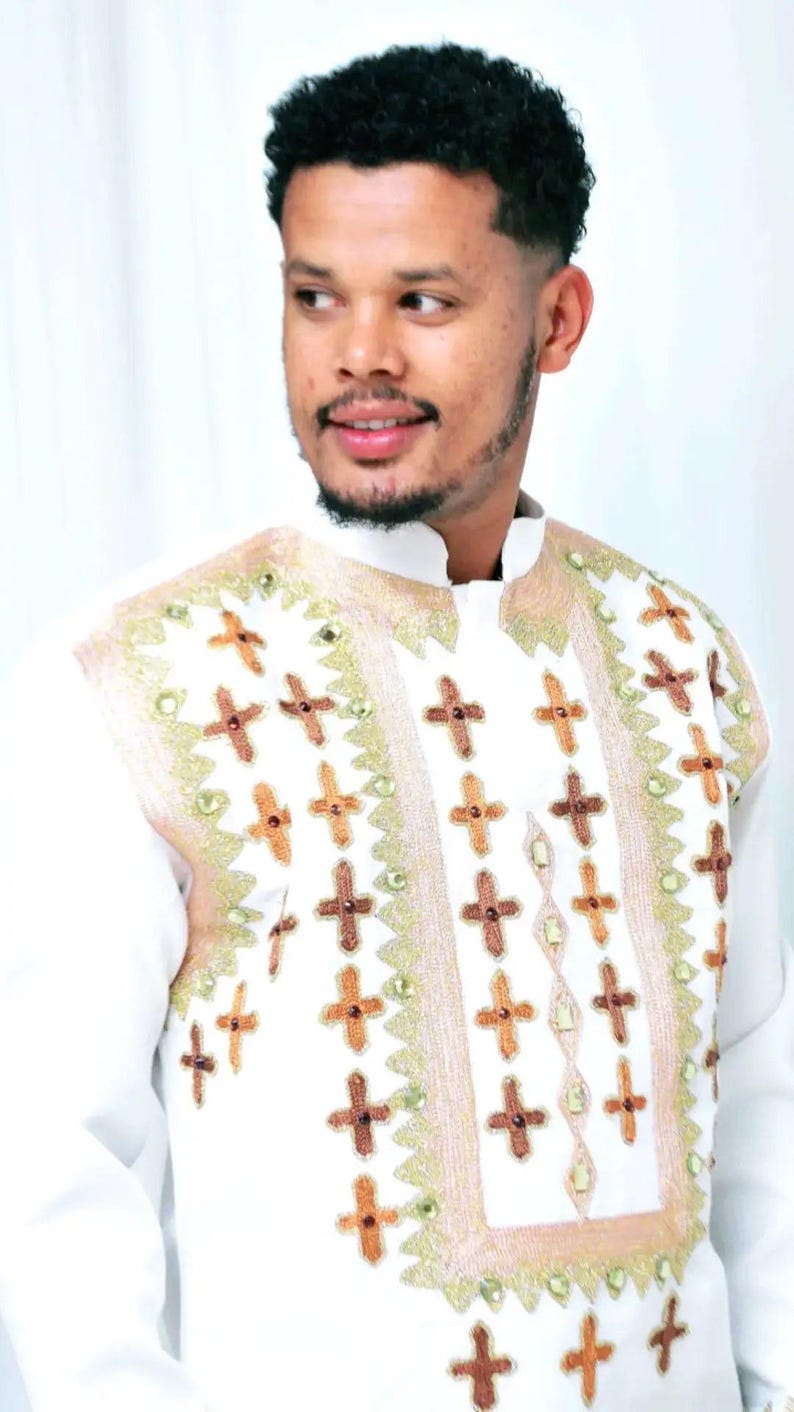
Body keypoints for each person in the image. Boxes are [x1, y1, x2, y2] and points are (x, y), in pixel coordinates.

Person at [0, 38, 791, 1412]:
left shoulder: (684, 662)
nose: (357, 357)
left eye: (422, 300)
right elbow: (53, 1165)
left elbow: (763, 1100)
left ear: (555, 321)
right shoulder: (136, 677)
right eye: (316, 298)